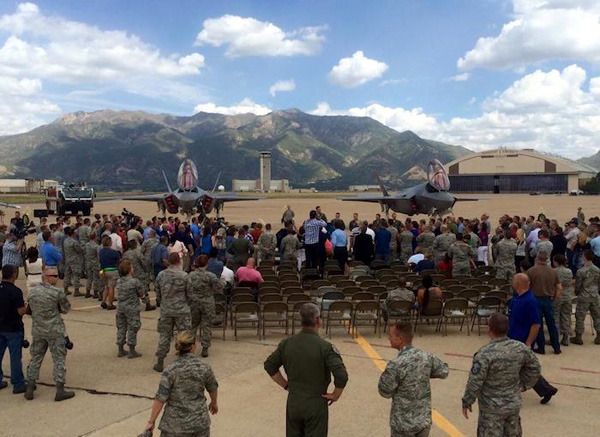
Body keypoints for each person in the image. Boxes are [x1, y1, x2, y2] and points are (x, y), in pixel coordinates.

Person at [264, 303, 348, 437]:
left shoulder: (286, 343)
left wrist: (286, 385)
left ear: (301, 321)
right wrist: (335, 395)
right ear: (318, 321)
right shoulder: (325, 347)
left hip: (294, 402)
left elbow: (269, 365)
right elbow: (341, 375)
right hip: (316, 403)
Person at [462, 314, 541, 437]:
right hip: (513, 405)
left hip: (491, 410)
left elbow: (475, 381)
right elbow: (535, 368)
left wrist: (467, 401)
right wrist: (523, 385)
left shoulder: (484, 354)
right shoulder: (520, 348)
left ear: (489, 329)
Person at [378, 321, 449, 437]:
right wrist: (423, 372)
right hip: (423, 423)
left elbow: (384, 391)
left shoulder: (395, 365)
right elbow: (444, 371)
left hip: (402, 426)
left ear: (399, 339)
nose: (388, 339)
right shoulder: (426, 357)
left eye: (390, 336)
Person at [144, 331, 218, 436]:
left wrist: (151, 422)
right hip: (199, 424)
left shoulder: (170, 370)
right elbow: (213, 388)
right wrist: (214, 403)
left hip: (174, 426)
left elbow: (160, 397)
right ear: (193, 346)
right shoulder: (204, 368)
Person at [25, 266, 75, 401]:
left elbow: (28, 310)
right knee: (59, 359)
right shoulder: (57, 293)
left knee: (36, 357)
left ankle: (30, 387)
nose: (57, 278)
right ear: (47, 277)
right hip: (55, 330)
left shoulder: (32, 292)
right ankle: (60, 389)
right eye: (55, 276)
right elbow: (66, 309)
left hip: (38, 330)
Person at [509, 273, 558, 404]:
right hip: (512, 339)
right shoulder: (517, 299)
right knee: (524, 368)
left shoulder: (530, 301)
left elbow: (536, 324)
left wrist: (529, 342)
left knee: (514, 368)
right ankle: (546, 389)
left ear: (518, 284)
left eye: (514, 281)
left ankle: (513, 395)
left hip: (521, 341)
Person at [154, 253, 191, 373]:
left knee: (164, 335)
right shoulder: (185, 276)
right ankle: (184, 362)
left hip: (166, 310)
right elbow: (189, 293)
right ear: (178, 261)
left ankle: (160, 361)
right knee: (183, 335)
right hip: (182, 310)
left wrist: (162, 302)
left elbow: (157, 292)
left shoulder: (161, 275)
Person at [526, 252, 562, 354]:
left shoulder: (531, 271)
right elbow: (559, 287)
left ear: (537, 259)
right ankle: (556, 347)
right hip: (548, 299)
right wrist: (555, 297)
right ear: (547, 259)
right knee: (551, 324)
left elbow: (527, 286)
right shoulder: (553, 271)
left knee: (538, 324)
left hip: (535, 299)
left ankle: (541, 347)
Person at [187, 255, 223, 357]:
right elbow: (219, 287)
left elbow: (187, 288)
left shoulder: (191, 275)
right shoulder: (211, 276)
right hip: (207, 303)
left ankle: (189, 347)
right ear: (207, 264)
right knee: (206, 326)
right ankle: (205, 348)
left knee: (193, 326)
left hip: (194, 302)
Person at [0, 264, 27, 394]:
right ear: (13, 275)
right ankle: (18, 383)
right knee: (15, 357)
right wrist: (27, 307)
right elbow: (21, 311)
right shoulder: (16, 291)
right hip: (13, 328)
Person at [115, 259, 144, 359]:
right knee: (133, 327)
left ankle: (120, 349)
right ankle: (132, 350)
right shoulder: (134, 281)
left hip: (120, 308)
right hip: (132, 308)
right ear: (129, 270)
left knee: (121, 327)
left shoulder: (119, 281)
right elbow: (141, 294)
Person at [570, 249, 600, 345]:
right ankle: (599, 335)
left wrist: (576, 293)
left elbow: (578, 286)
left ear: (585, 257)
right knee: (597, 316)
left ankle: (578, 337)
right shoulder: (597, 270)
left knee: (580, 317)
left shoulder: (581, 271)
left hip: (584, 296)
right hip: (595, 295)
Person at [552, 254, 574, 346]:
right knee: (566, 316)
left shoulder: (554, 271)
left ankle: (555, 337)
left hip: (557, 296)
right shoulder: (569, 271)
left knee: (555, 316)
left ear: (556, 262)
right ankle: (565, 337)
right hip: (568, 295)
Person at [99, 235, 121, 310]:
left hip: (103, 270)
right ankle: (110, 303)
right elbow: (118, 262)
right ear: (110, 243)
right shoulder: (114, 252)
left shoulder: (101, 252)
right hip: (112, 270)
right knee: (111, 287)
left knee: (106, 286)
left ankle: (103, 301)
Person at [63, 227, 84, 297]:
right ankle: (76, 291)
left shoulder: (65, 241)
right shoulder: (74, 242)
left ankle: (65, 289)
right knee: (76, 275)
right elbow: (79, 250)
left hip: (67, 259)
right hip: (75, 260)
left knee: (67, 275)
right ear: (73, 233)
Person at [84, 232, 102, 299]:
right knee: (96, 278)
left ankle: (87, 291)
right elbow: (98, 256)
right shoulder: (96, 246)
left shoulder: (87, 245)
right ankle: (95, 292)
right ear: (95, 237)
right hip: (95, 263)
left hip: (88, 262)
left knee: (89, 278)